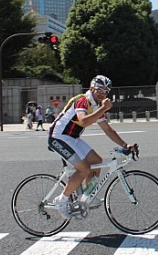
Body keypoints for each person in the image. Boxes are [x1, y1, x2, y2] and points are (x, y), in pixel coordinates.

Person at [48, 75, 134, 219]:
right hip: (58, 137)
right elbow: (84, 121)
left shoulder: (95, 106)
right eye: (100, 89)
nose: (103, 93)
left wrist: (126, 145)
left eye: (106, 91)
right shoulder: (83, 100)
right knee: (84, 169)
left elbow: (108, 130)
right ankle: (61, 200)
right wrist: (103, 109)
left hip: (72, 138)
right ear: (91, 88)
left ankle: (85, 197)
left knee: (96, 162)